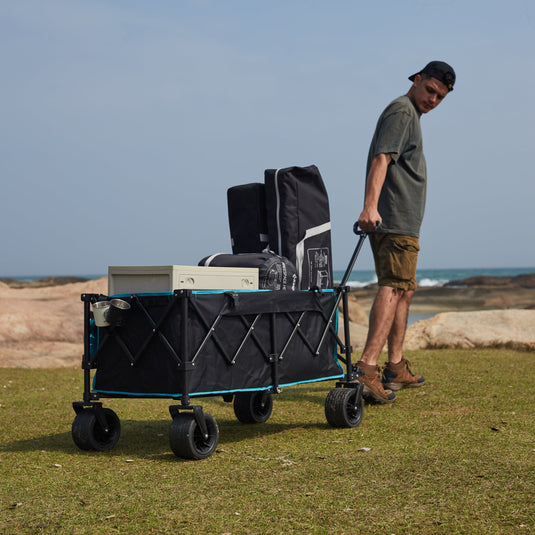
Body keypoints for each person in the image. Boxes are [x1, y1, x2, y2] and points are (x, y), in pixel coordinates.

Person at [356, 61, 456, 404]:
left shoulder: (413, 115)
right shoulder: (402, 110)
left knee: (405, 289)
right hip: (393, 219)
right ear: (416, 79)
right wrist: (370, 206)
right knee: (394, 286)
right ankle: (367, 368)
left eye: (440, 97)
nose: (433, 100)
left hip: (405, 222)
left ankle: (395, 367)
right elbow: (382, 158)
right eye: (430, 90)